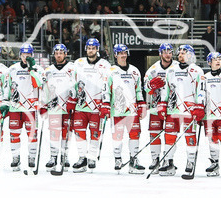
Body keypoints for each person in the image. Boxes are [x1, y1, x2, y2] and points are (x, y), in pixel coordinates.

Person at [159, 44, 205, 178]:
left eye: (184, 53)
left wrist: (200, 106)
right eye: (179, 53)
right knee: (169, 136)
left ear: (191, 55)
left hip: (189, 111)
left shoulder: (197, 71)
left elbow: (201, 90)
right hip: (173, 110)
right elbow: (165, 90)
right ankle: (168, 162)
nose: (180, 55)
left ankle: (190, 162)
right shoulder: (171, 70)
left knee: (190, 137)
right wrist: (162, 105)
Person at [71, 38, 112, 172]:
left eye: (93, 48)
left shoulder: (105, 64)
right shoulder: (78, 63)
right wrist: (72, 99)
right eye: (89, 48)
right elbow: (73, 83)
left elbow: (107, 85)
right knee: (79, 132)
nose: (91, 50)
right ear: (86, 49)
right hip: (81, 106)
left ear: (97, 49)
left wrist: (106, 103)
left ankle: (92, 157)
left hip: (97, 106)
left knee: (95, 133)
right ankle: (82, 157)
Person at [106, 44, 145, 172]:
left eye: (124, 53)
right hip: (117, 111)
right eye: (120, 53)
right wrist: (106, 104)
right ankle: (118, 159)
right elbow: (106, 90)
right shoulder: (111, 71)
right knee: (117, 136)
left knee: (135, 135)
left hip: (132, 111)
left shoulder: (134, 71)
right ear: (116, 55)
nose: (123, 55)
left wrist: (141, 104)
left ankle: (134, 160)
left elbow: (138, 90)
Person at [5, 43, 43, 172]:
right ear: (20, 55)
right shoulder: (12, 69)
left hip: (30, 107)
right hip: (15, 107)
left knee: (32, 134)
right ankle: (15, 158)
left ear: (32, 55)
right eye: (23, 54)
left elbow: (39, 83)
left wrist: (31, 69)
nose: (25, 57)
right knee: (14, 134)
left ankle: (32, 157)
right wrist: (5, 102)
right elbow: (7, 87)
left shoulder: (38, 68)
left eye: (28, 54)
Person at [40, 43, 77, 172]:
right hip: (54, 107)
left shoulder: (72, 68)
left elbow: (76, 86)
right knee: (54, 132)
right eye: (56, 53)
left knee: (66, 132)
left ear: (65, 54)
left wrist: (74, 100)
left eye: (61, 53)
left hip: (68, 106)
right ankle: (53, 157)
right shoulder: (48, 70)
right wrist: (43, 104)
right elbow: (44, 89)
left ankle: (64, 156)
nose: (59, 55)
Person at [144, 43, 175, 171]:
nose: (168, 54)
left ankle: (168, 160)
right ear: (160, 53)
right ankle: (155, 159)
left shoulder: (178, 68)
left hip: (172, 108)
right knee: (154, 134)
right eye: (165, 52)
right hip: (156, 108)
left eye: (170, 52)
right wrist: (151, 86)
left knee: (170, 134)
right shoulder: (153, 69)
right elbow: (145, 87)